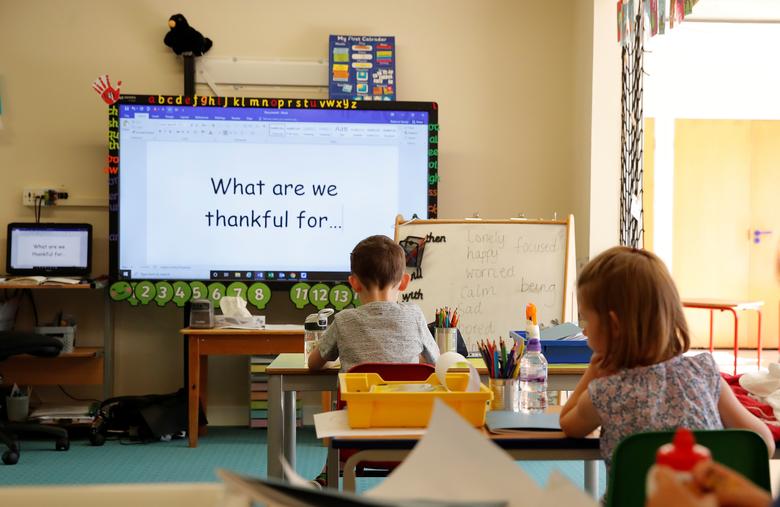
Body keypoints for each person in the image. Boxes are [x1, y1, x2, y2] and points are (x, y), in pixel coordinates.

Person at [559, 246, 775, 472]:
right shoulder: (703, 372)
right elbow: (764, 443)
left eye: (586, 320)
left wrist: (594, 370)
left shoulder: (606, 392)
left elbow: (568, 424)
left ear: (613, 326)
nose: (584, 331)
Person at [307, 234, 439, 372]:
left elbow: (313, 363)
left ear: (354, 283)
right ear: (404, 282)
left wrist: (331, 362)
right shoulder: (414, 316)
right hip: (404, 393)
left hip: (357, 394)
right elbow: (436, 361)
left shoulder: (343, 320)